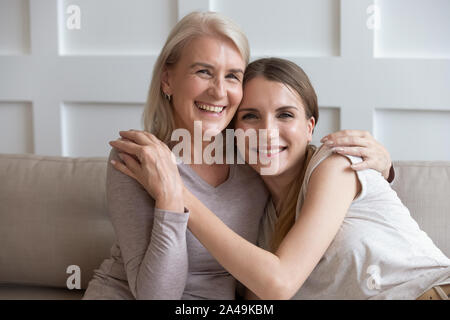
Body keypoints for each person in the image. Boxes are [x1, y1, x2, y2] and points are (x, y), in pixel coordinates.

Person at [83, 12, 393, 300]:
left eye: (232, 76)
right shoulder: (140, 159)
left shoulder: (252, 156)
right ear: (167, 79)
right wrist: (169, 201)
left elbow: (307, 176)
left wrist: (384, 167)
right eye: (203, 71)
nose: (219, 92)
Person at [114, 57, 450, 300]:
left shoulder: (335, 165)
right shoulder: (256, 217)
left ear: (310, 127)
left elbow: (279, 283)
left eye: (285, 115)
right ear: (234, 132)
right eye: (250, 117)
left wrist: (177, 194)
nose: (267, 132)